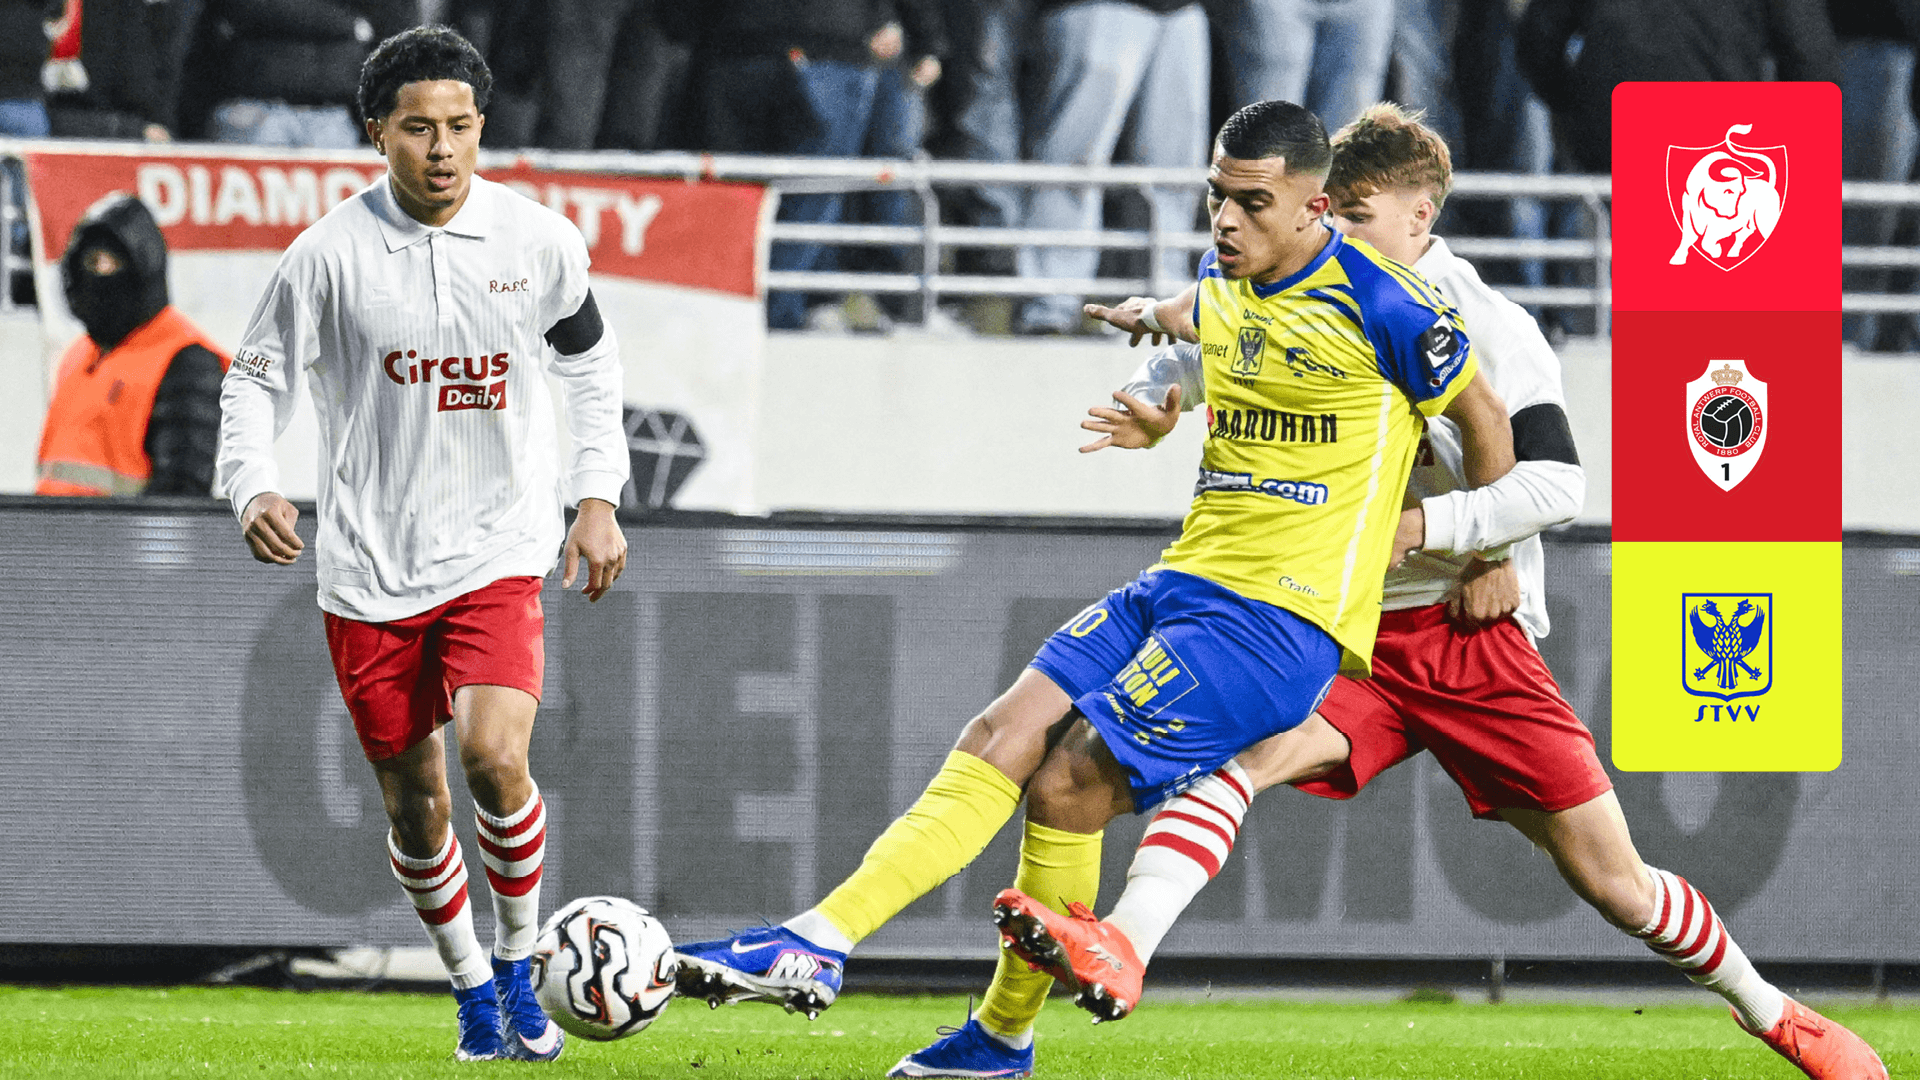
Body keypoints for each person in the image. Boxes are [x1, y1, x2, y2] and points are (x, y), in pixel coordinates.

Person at [989, 104, 1889, 1080]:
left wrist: (1437, 533)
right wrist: (1157, 389)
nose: (1334, 231)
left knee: (1615, 883)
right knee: (1238, 761)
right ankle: (1124, 945)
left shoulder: (1488, 326)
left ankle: (1777, 1016)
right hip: (1344, 626)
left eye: (1357, 215)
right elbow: (1203, 354)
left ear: (1421, 217)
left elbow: (1558, 485)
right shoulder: (1304, 288)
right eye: (1328, 212)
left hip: (1469, 635)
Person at [668, 99, 1515, 1078]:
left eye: (1251, 202)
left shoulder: (1392, 305)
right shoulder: (1227, 277)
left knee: (1069, 780)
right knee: (1002, 734)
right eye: (1216, 196)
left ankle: (992, 1031)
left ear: (1313, 207)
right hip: (1183, 580)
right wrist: (1157, 388)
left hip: (1279, 621)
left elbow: (1486, 421)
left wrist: (1487, 554)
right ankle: (823, 943)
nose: (1225, 219)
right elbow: (1202, 321)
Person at [213, 26, 629, 1063]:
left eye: (460, 126)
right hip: (370, 567)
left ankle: (523, 965)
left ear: (482, 127)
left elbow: (588, 367)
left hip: (498, 547)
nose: (442, 149)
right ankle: (471, 986)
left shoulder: (537, 241)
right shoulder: (326, 256)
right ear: (377, 134)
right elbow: (253, 382)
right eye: (418, 129)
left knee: (494, 757)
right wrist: (251, 483)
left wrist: (597, 495)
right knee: (417, 806)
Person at [37, 195, 229, 497]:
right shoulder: (77, 356)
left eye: (112, 261)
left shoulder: (187, 359)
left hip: (122, 530)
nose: (98, 273)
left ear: (143, 266)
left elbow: (181, 494)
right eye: (91, 261)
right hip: (50, 528)